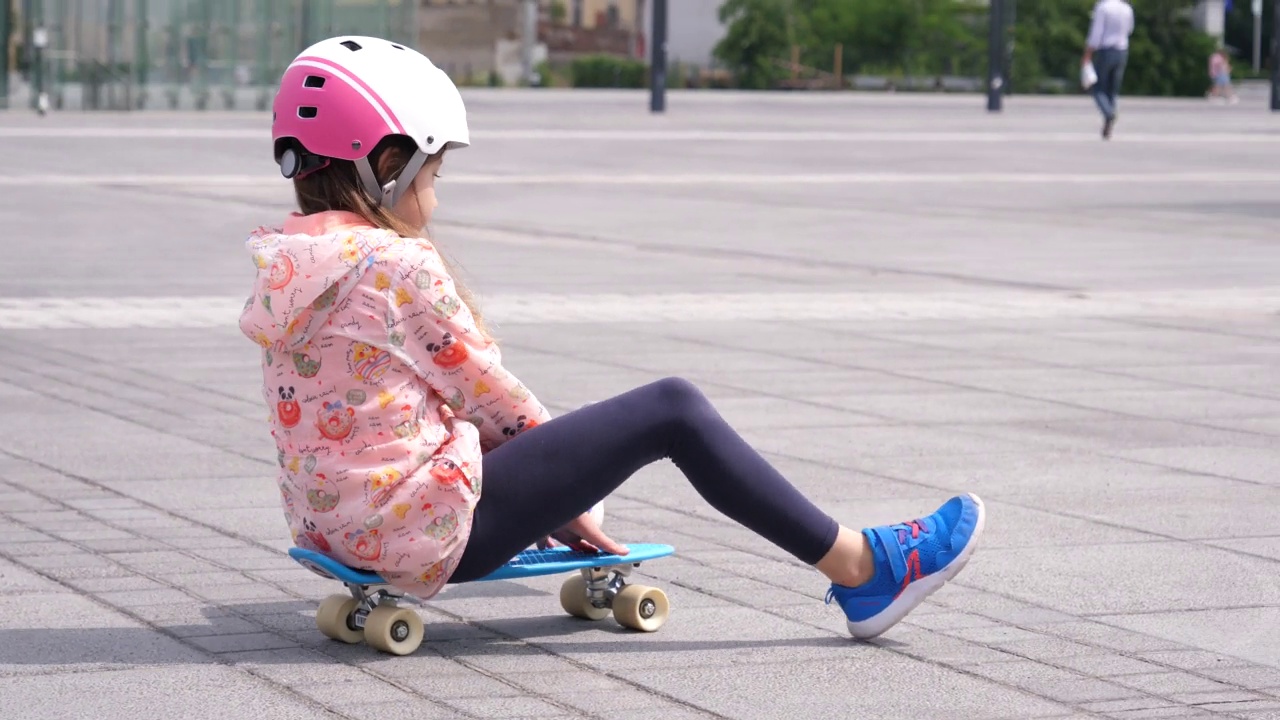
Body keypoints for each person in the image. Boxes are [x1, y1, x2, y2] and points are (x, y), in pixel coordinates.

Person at [239, 36, 986, 641]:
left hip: (335, 532)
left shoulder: (290, 266)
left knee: (639, 415)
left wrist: (544, 491)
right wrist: (573, 502)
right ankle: (864, 568)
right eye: (434, 169)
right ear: (387, 164)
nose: (436, 191)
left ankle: (861, 565)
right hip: (420, 536)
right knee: (673, 407)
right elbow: (499, 405)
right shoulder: (393, 264)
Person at [1082, 0, 1135, 140]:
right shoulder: (1127, 8)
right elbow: (1130, 30)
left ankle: (1109, 113)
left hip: (1106, 50)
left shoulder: (1103, 7)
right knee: (1113, 90)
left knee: (1097, 88)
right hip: (1122, 50)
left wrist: (1088, 54)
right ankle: (1108, 126)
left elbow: (1096, 33)